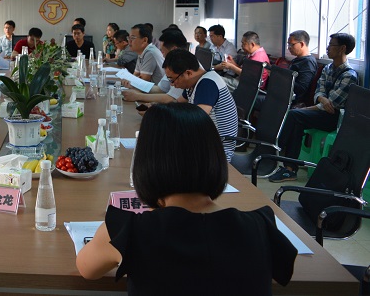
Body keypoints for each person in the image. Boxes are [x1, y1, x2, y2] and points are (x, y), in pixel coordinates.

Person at [76, 103, 297, 295]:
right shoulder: (260, 227)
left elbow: (87, 269)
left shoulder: (128, 231)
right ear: (215, 157)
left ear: (146, 163)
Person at [269, 33, 358, 183]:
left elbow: (333, 105)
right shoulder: (328, 68)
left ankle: (274, 151)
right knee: (297, 121)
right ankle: (289, 169)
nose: (328, 48)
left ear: (342, 48)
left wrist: (313, 105)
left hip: (334, 118)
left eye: (331, 45)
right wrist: (322, 99)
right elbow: (319, 93)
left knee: (295, 115)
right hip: (321, 111)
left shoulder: (349, 75)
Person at [163, 49, 238, 161]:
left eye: (173, 80)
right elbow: (177, 104)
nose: (172, 85)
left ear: (188, 73)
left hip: (217, 150)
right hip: (205, 141)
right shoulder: (193, 83)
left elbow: (196, 120)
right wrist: (158, 109)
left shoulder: (207, 84)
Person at [123, 30, 187, 105]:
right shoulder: (173, 64)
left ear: (174, 50)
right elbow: (160, 89)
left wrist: (138, 96)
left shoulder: (185, 64)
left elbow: (172, 98)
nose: (162, 55)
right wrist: (135, 86)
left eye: (163, 51)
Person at [286, 30, 318, 105]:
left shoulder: (308, 63)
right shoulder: (298, 59)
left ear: (302, 44)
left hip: (294, 101)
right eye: (288, 44)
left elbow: (301, 88)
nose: (289, 47)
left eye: (292, 44)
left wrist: (283, 78)